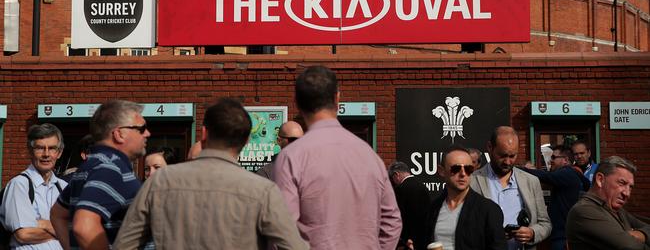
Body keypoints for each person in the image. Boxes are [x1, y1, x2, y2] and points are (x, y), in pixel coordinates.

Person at [113, 98, 307, 250]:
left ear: (204, 133)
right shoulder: (262, 190)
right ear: (247, 140)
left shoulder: (160, 182)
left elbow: (125, 244)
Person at [273, 65, 402, 249]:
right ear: (337, 98)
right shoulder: (369, 156)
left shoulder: (292, 157)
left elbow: (283, 230)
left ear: (297, 102)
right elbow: (392, 221)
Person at [50, 100, 151, 250]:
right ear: (120, 134)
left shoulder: (92, 165)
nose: (148, 133)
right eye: (141, 129)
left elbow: (58, 214)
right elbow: (84, 226)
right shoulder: (110, 168)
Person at [470, 126, 551, 250]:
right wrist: (492, 235)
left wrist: (532, 233)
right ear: (490, 147)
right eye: (502, 155)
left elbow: (545, 223)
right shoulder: (472, 181)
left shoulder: (531, 182)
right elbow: (464, 226)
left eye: (513, 156)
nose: (507, 162)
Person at [425, 146, 506, 250]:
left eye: (468, 169)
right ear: (441, 171)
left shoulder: (488, 210)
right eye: (456, 169)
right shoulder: (432, 209)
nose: (463, 174)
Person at [0, 123, 67, 250]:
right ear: (30, 151)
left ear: (59, 153)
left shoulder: (64, 188)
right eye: (40, 148)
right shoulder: (19, 185)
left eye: (52, 148)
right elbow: (23, 235)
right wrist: (61, 228)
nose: (46, 154)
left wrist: (44, 224)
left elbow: (76, 230)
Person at [566, 156, 650, 250]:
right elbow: (631, 246)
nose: (627, 193)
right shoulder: (583, 210)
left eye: (630, 187)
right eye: (622, 183)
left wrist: (639, 235)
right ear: (600, 180)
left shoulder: (617, 210)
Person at [520, 145, 590, 250]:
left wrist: (518, 169)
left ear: (565, 160)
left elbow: (546, 176)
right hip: (565, 235)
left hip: (562, 237)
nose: (550, 161)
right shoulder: (572, 175)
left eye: (553, 157)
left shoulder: (567, 173)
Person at [388, 161, 431, 250]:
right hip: (424, 239)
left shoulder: (400, 189)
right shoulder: (422, 187)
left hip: (407, 242)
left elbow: (398, 218)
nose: (393, 182)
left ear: (396, 174)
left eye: (392, 178)